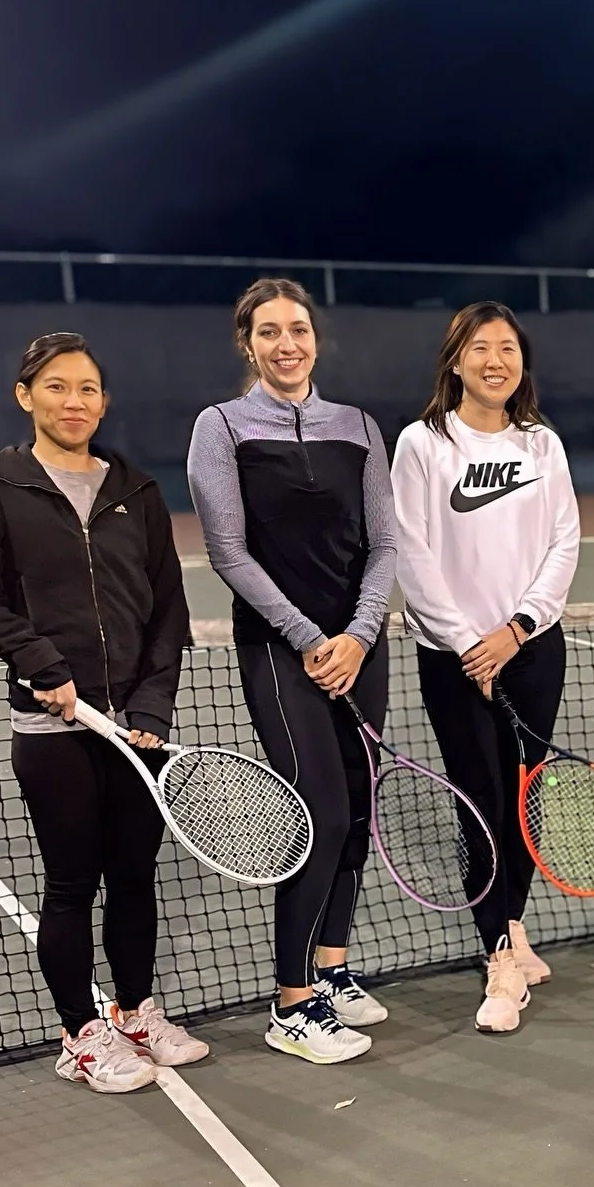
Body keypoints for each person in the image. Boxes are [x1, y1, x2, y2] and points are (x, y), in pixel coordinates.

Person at [0, 332, 206, 1091]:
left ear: (104, 400)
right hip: (52, 727)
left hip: (137, 725)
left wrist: (154, 702)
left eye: (88, 388)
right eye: (57, 387)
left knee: (135, 877)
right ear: (26, 396)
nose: (75, 401)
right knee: (72, 885)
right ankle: (79, 1036)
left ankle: (134, 1013)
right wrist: (42, 666)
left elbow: (169, 610)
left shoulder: (137, 489)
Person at [188, 278, 396, 1063]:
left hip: (359, 651)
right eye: (269, 332)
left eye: (298, 331)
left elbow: (384, 545)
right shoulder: (222, 428)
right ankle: (291, 1003)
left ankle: (333, 970)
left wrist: (359, 634)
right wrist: (312, 637)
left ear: (315, 339)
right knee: (323, 815)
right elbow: (227, 551)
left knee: (360, 813)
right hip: (281, 653)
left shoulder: (360, 427)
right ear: (248, 343)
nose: (287, 345)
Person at [391, 301, 579, 1033]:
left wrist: (517, 629)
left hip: (533, 652)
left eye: (507, 348)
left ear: (521, 363)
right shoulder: (422, 444)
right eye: (480, 348)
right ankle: (499, 954)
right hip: (454, 660)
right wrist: (471, 642)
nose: (495, 360)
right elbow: (414, 551)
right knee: (482, 807)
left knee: (524, 805)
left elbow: (564, 544)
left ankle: (512, 925)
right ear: (456, 360)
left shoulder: (543, 446)